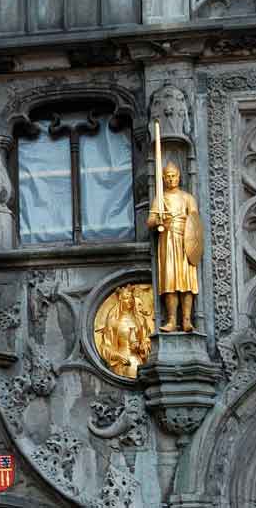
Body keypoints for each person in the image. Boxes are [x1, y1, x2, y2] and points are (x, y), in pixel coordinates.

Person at [146, 162, 202, 332]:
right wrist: (158, 220)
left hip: (185, 241)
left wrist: (189, 233)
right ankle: (171, 320)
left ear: (179, 177)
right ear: (163, 179)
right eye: (168, 177)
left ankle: (186, 319)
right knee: (170, 281)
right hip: (167, 241)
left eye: (174, 176)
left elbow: (195, 220)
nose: (171, 179)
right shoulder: (160, 198)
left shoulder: (187, 198)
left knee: (186, 281)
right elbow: (150, 221)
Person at [95, 285, 152, 378]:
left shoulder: (141, 321)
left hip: (137, 362)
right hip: (120, 362)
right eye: (126, 298)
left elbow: (148, 341)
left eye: (131, 298)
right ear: (120, 300)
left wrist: (142, 347)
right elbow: (106, 346)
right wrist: (116, 356)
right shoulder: (113, 321)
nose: (129, 301)